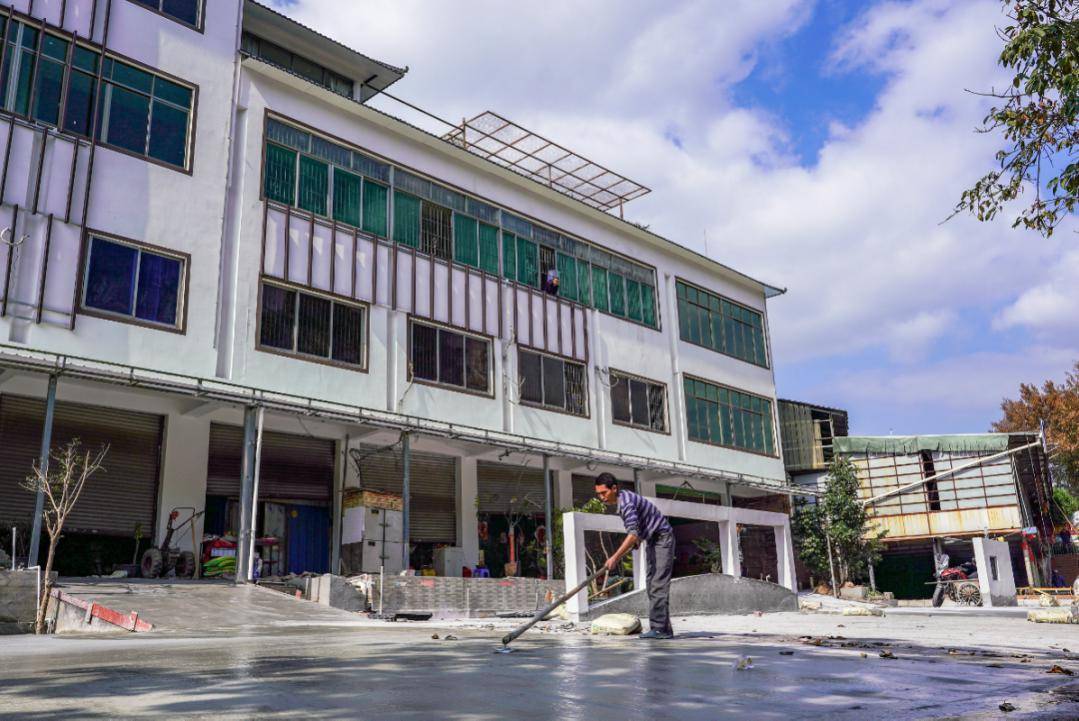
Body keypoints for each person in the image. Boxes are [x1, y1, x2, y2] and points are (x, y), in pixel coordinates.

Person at [594, 473, 675, 639]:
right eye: (599, 494)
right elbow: (638, 531)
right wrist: (637, 541)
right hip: (653, 539)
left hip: (662, 538)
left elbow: (632, 534)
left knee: (658, 583)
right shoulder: (623, 499)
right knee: (651, 582)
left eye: (604, 493)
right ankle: (663, 629)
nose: (601, 498)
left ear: (614, 488)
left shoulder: (626, 504)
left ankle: (660, 629)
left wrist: (615, 557)